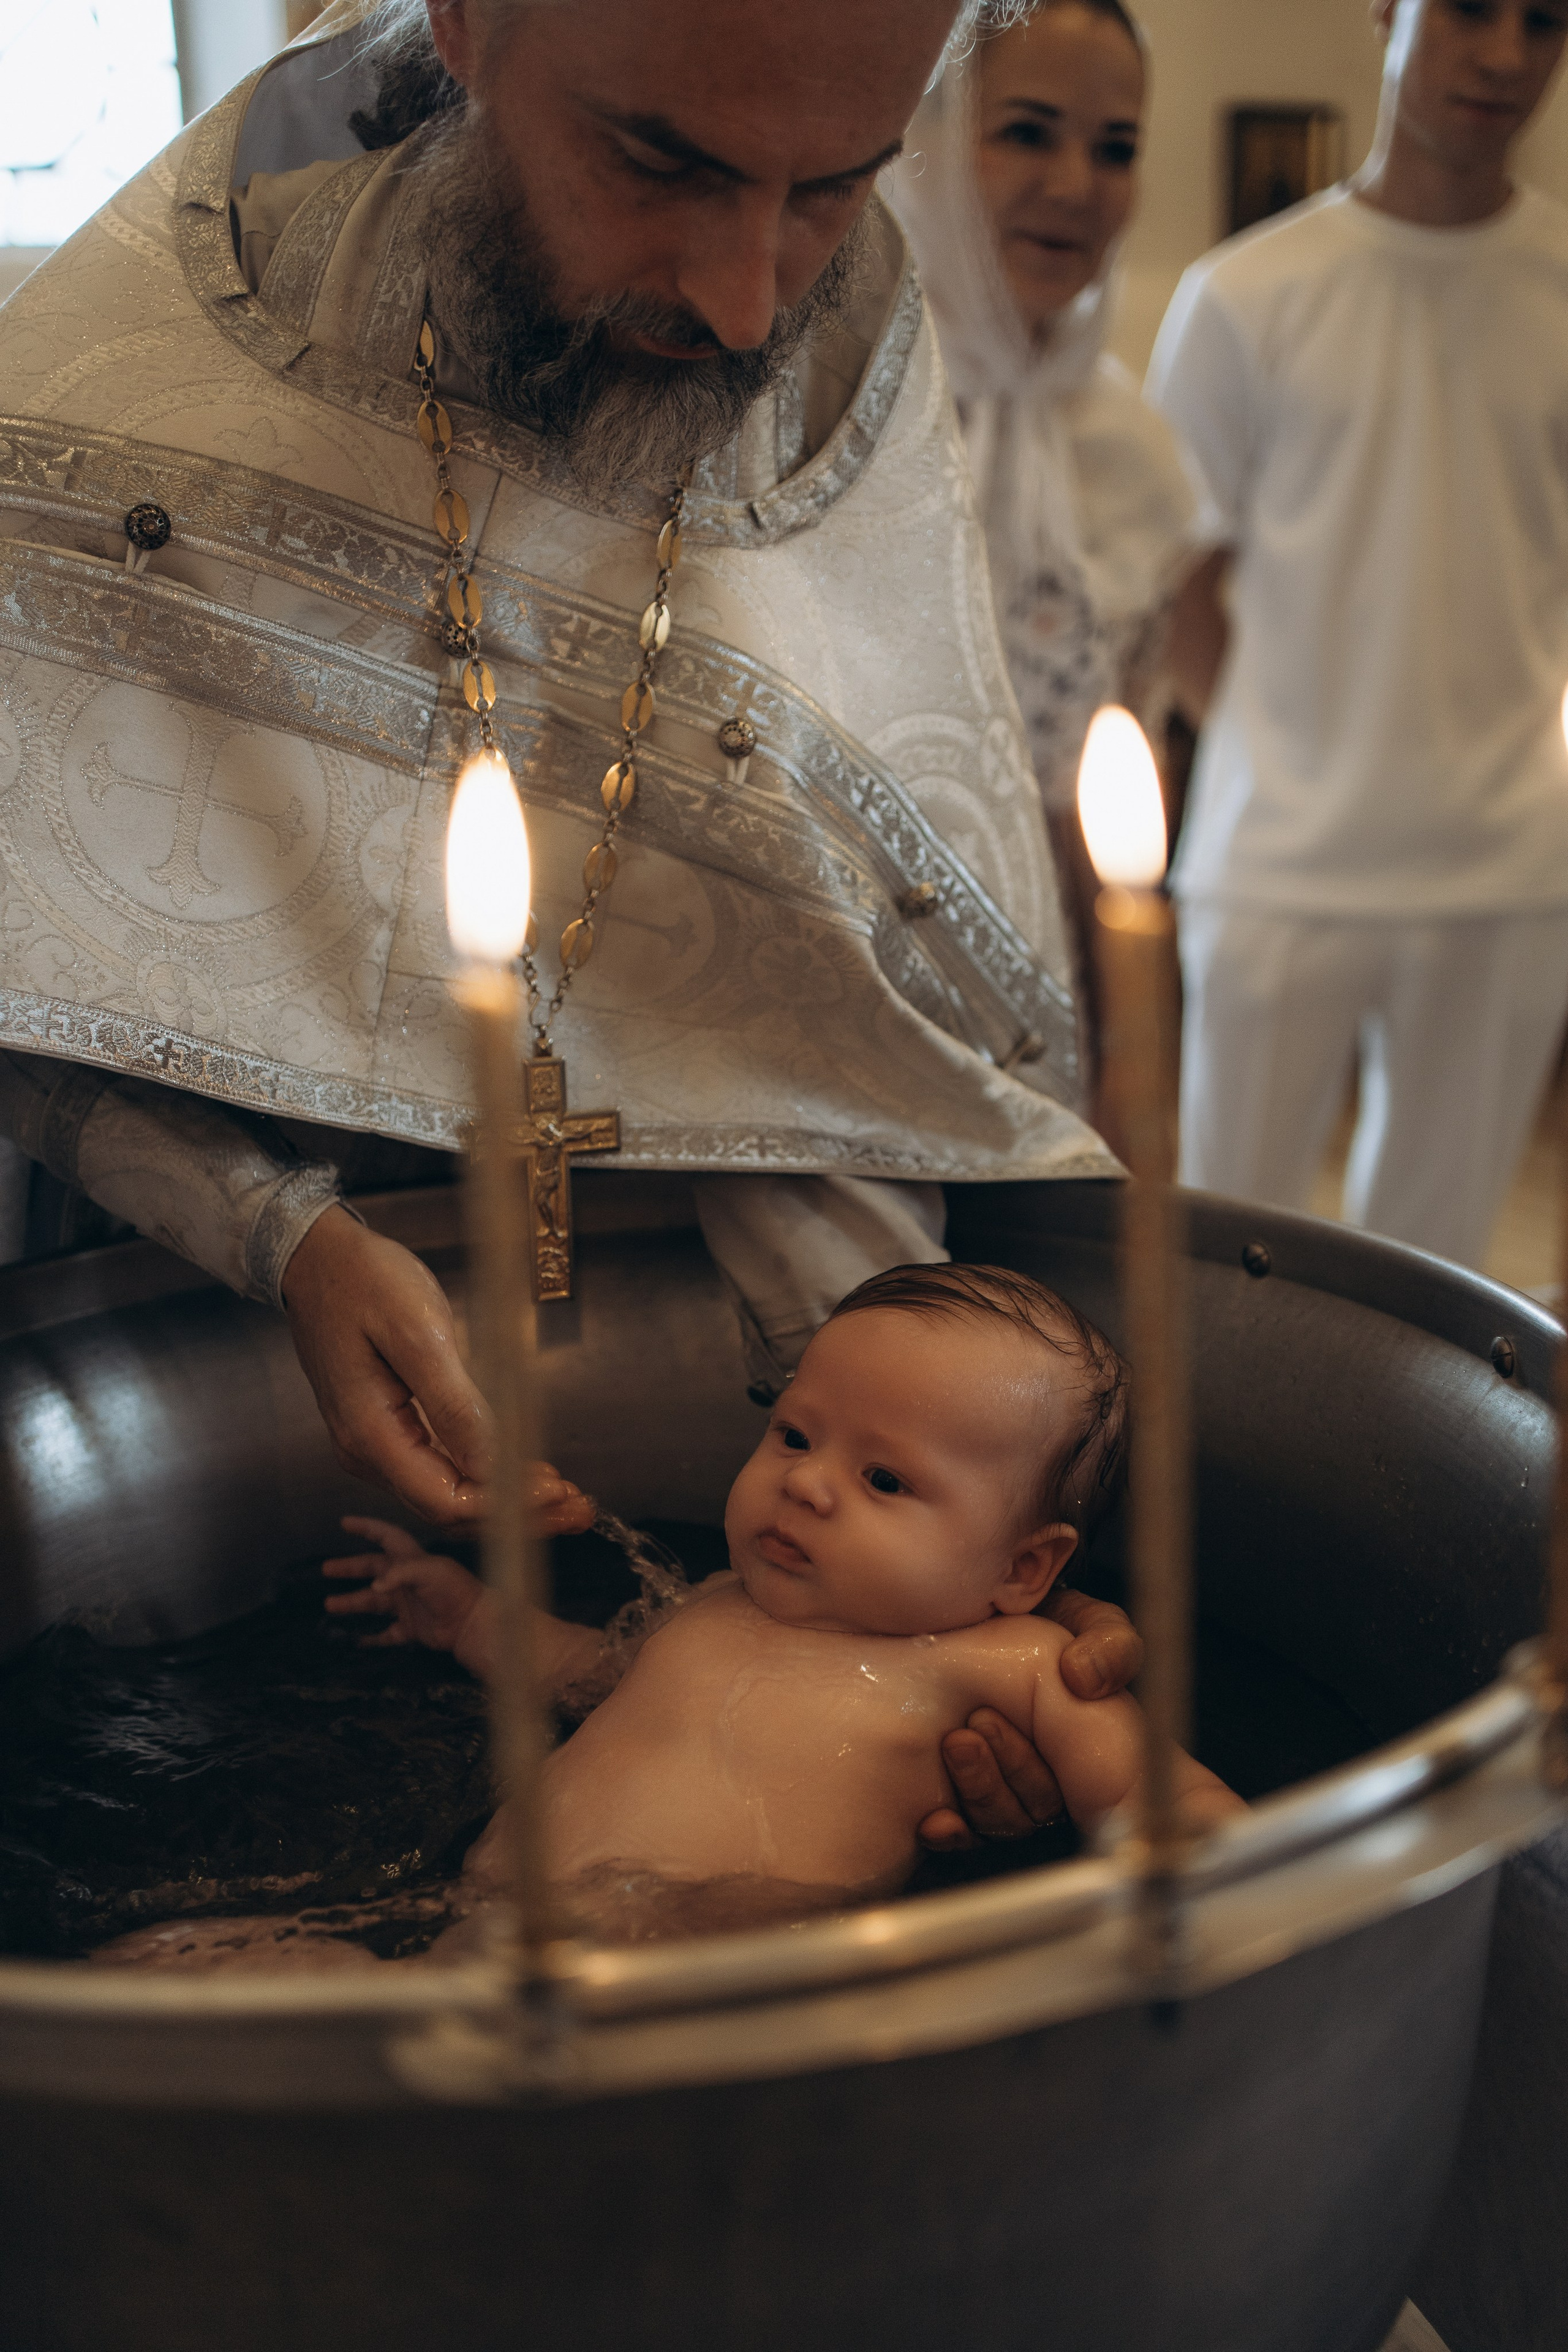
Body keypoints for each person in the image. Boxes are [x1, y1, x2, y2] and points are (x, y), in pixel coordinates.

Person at [0, 0, 1142, 1835]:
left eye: (835, 188)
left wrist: (927, 1575)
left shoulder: (838, 361)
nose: (757, 300)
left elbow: (826, 1000)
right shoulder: (155, 354)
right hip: (148, 1273)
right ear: (470, 22)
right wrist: (275, 1233)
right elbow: (29, 937)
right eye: (664, 164)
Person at [100, 1265, 1240, 1962]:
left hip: (714, 1953)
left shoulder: (1024, 1661)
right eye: (795, 1435)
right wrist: (463, 1617)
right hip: (484, 1915)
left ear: (1026, 1565)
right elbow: (591, 1674)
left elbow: (1163, 1799)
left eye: (887, 1482)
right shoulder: (709, 1604)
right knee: (179, 1963)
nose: (806, 1482)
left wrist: (1237, 1882)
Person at [1148, 0, 1568, 1268]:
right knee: (1232, 1257)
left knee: (1434, 1285)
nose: (1501, 55)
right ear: (1383, 14)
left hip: (1506, 868)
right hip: (1276, 862)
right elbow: (1174, 585)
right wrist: (1289, 744)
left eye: (1541, 21)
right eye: (1465, 12)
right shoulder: (1243, 294)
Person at [889, 0, 1205, 1046]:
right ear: (927, 136)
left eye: (1115, 149)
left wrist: (1127, 1044)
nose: (1076, 186)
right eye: (1026, 131)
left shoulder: (1128, 443)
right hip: (849, 990)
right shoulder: (839, 399)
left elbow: (1114, 773)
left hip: (1052, 995)